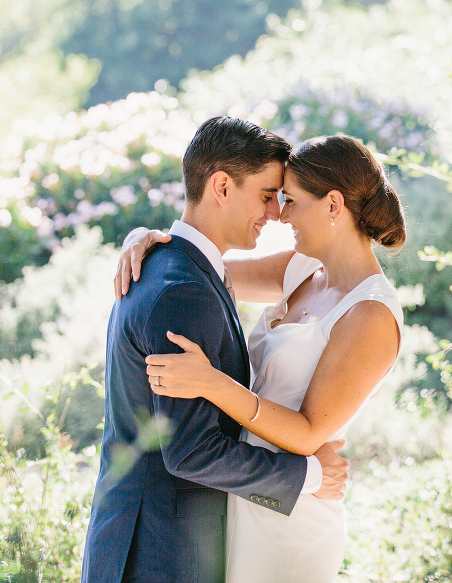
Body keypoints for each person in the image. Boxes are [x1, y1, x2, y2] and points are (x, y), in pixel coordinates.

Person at [114, 133, 405, 582]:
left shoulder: (371, 315)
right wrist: (147, 239)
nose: (279, 216)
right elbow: (202, 268)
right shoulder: (302, 268)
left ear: (333, 205)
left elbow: (308, 434)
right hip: (245, 494)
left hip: (291, 519)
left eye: (290, 201)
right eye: (275, 198)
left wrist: (212, 382)